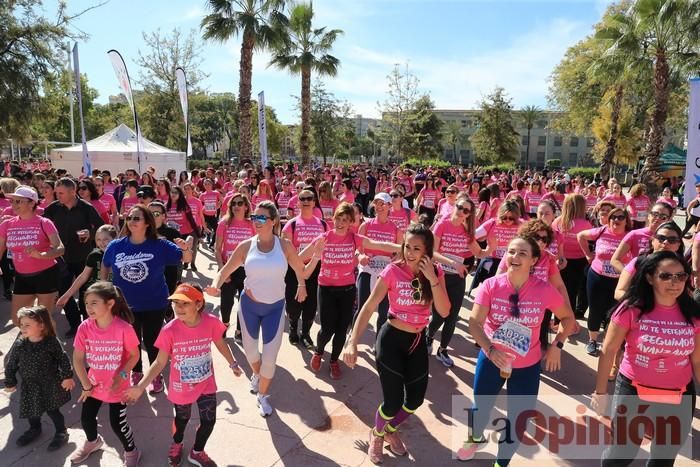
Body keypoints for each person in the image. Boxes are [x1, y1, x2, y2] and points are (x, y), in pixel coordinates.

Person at [459, 236, 575, 464]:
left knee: (518, 419)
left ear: (534, 260)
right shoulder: (491, 285)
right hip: (492, 359)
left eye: (522, 253)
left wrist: (557, 345)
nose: (515, 257)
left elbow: (568, 318)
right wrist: (491, 351)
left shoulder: (544, 290)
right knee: (480, 407)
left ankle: (501, 462)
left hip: (527, 365)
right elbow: (474, 323)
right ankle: (475, 438)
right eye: (511, 251)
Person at [343, 223, 450, 464]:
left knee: (415, 400)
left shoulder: (436, 272)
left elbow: (444, 310)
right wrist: (353, 342)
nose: (410, 252)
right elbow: (369, 306)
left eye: (416, 248)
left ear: (427, 251)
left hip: (417, 341)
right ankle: (378, 434)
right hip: (391, 339)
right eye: (407, 246)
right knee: (392, 402)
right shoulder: (392, 271)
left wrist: (432, 278)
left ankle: (389, 429)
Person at [207, 201, 316, 417]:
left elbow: (301, 271)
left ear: (274, 221)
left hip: (275, 309)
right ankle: (256, 375)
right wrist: (215, 284)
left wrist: (315, 259)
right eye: (254, 218)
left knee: (269, 358)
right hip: (248, 307)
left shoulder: (284, 246)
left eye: (261, 218)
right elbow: (224, 270)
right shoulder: (246, 246)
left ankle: (263, 396)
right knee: (251, 353)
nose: (256, 222)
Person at [591, 251, 700, 466]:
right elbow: (608, 350)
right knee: (620, 455)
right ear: (650, 277)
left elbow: (696, 360)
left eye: (681, 276)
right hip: (633, 392)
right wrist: (600, 392)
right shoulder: (631, 309)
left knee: (663, 458)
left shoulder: (693, 313)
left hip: (679, 396)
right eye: (666, 276)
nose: (675, 282)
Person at [124, 283, 243, 467]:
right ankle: (177, 444)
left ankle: (197, 451)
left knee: (209, 421)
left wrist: (232, 362)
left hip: (206, 383)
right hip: (181, 386)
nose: (179, 308)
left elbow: (219, 343)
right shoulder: (169, 330)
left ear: (198, 304)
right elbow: (159, 362)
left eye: (185, 303)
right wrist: (141, 386)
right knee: (181, 420)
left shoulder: (211, 322)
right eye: (176, 303)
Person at [101, 204, 193, 394]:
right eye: (129, 217)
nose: (131, 221)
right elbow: (105, 264)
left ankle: (155, 375)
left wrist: (185, 249)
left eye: (137, 218)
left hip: (155, 302)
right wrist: (104, 287)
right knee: (131, 342)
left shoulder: (160, 245)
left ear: (147, 223)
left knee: (152, 341)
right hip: (125, 304)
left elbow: (185, 258)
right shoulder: (116, 245)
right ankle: (136, 372)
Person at [306, 202, 400, 380]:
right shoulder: (323, 238)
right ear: (333, 219)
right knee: (327, 329)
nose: (341, 223)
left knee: (342, 330)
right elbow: (301, 257)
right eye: (338, 219)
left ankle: (334, 360)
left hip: (347, 289)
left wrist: (403, 248)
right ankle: (319, 352)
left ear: (350, 222)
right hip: (326, 288)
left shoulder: (354, 237)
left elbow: (379, 244)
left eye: (345, 220)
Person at [70, 282, 141, 466]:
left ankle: (131, 451)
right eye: (86, 303)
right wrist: (86, 385)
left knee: (117, 424)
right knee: (86, 418)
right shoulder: (84, 327)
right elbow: (77, 359)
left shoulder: (124, 328)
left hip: (118, 386)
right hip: (92, 384)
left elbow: (135, 355)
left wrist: (122, 375)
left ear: (109, 304)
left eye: (94, 303)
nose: (88, 308)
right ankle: (93, 442)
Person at [428, 196, 490, 367]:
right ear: (455, 206)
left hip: (457, 278)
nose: (462, 212)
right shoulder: (442, 224)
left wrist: (491, 247)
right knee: (439, 315)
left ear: (469, 215)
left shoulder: (467, 231)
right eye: (460, 207)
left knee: (452, 316)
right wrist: (452, 262)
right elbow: (432, 252)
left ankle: (443, 349)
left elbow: (479, 252)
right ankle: (429, 336)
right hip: (440, 277)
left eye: (466, 210)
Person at [4, 306, 74, 450]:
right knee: (32, 410)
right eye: (21, 324)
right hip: (30, 385)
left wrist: (67, 376)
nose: (22, 327)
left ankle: (61, 432)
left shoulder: (51, 342)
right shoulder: (20, 345)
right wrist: (10, 381)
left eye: (27, 325)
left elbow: (63, 359)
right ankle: (35, 428)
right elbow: (12, 364)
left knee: (52, 410)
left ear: (41, 325)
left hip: (50, 384)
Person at [44, 177, 104, 336]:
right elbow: (41, 226)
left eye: (61, 192)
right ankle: (75, 324)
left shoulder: (86, 208)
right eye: (56, 192)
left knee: (87, 293)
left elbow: (102, 229)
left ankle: (88, 324)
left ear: (73, 191)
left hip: (84, 258)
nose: (58, 196)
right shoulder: (53, 209)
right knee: (64, 292)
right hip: (61, 259)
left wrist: (90, 234)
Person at [0, 186, 65, 326]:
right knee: (18, 319)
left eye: (19, 201)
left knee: (44, 320)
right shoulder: (7, 224)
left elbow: (60, 249)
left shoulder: (44, 223)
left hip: (46, 275)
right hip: (21, 276)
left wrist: (41, 255)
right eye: (12, 201)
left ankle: (51, 346)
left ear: (31, 203)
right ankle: (30, 345)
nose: (13, 204)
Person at [577, 207, 632, 356]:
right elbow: (580, 236)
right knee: (595, 309)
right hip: (597, 277)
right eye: (613, 217)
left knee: (614, 311)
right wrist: (588, 254)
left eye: (621, 217)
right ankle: (592, 340)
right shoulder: (601, 231)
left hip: (619, 281)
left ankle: (609, 339)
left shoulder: (630, 236)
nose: (616, 220)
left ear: (626, 220)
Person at [281, 188, 327, 348]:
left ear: (314, 202)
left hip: (315, 269)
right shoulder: (290, 225)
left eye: (309, 198)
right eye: (302, 199)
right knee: (293, 304)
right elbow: (286, 250)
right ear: (298, 203)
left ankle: (306, 333)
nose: (306, 201)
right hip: (294, 269)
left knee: (311, 305)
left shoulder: (323, 224)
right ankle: (293, 327)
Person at [215, 193, 255, 341]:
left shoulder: (252, 223)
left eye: (240, 203)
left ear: (246, 206)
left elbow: (270, 220)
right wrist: (222, 268)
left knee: (244, 303)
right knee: (226, 302)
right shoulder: (224, 223)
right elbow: (218, 248)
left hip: (247, 269)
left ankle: (239, 330)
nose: (236, 206)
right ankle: (224, 324)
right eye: (234, 203)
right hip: (228, 267)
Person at [55, 224, 118, 312]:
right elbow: (83, 276)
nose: (102, 243)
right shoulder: (94, 255)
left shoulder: (120, 255)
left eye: (106, 239)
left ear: (115, 239)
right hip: (97, 294)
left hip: (115, 294)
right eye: (98, 239)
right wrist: (67, 295)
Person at [552, 194, 593, 318]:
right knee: (581, 288)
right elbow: (591, 240)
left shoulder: (557, 221)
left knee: (563, 289)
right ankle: (578, 312)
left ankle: (562, 316)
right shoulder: (586, 224)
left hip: (562, 259)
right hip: (581, 260)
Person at [609, 201, 674, 274]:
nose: (657, 218)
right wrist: (630, 276)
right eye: (655, 214)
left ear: (669, 220)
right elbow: (615, 260)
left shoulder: (672, 238)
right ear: (649, 216)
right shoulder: (634, 234)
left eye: (663, 217)